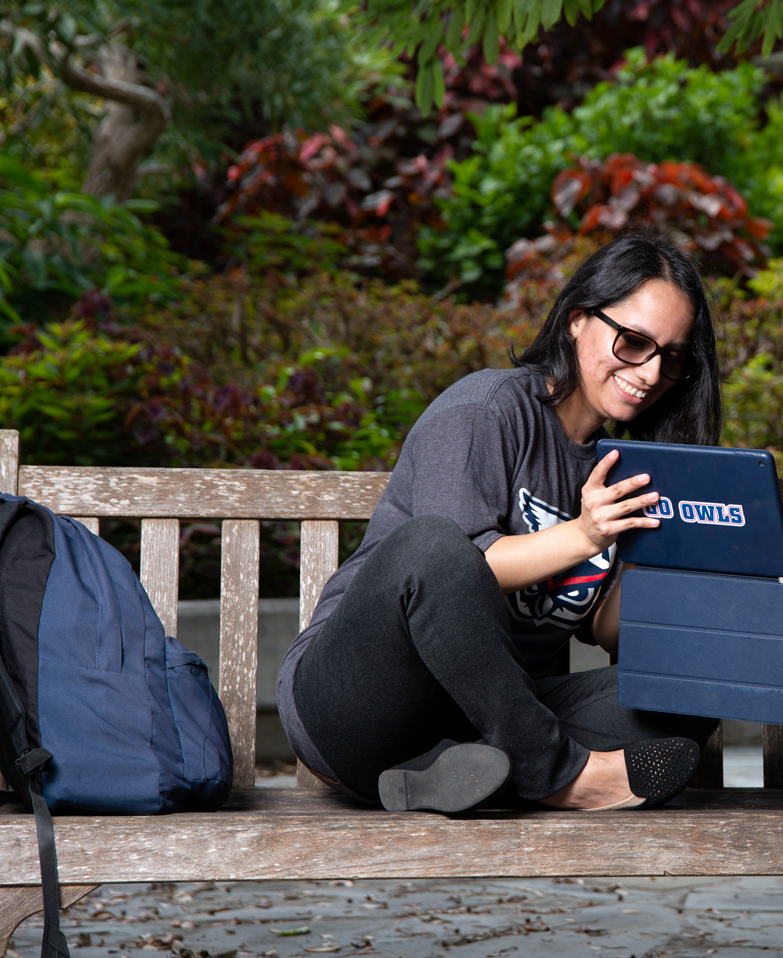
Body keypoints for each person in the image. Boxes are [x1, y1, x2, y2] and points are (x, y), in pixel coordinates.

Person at [277, 235, 722, 814]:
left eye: (674, 355)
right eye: (634, 342)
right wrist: (585, 535)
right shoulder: (485, 411)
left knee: (689, 687)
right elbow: (456, 571)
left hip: (490, 724)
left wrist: (687, 573)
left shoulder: (627, 469)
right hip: (361, 703)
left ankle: (434, 779)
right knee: (434, 547)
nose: (651, 370)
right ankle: (558, 774)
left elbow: (608, 625)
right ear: (577, 320)